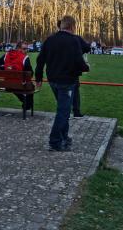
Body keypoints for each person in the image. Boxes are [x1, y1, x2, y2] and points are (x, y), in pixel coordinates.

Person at [35, 15, 86, 152]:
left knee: (64, 109)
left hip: (53, 80)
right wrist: (86, 67)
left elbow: (40, 60)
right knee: (63, 112)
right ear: (72, 26)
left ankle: (64, 137)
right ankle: (55, 141)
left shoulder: (50, 40)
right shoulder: (73, 41)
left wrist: (38, 78)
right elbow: (78, 60)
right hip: (67, 81)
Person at [0, 40, 33, 111]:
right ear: (18, 48)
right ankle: (27, 104)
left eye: (27, 49)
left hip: (7, 84)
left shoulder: (7, 54)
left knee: (14, 85)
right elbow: (30, 74)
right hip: (19, 85)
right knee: (30, 86)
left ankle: (26, 103)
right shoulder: (25, 57)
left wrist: (7, 68)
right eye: (24, 49)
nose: (26, 50)